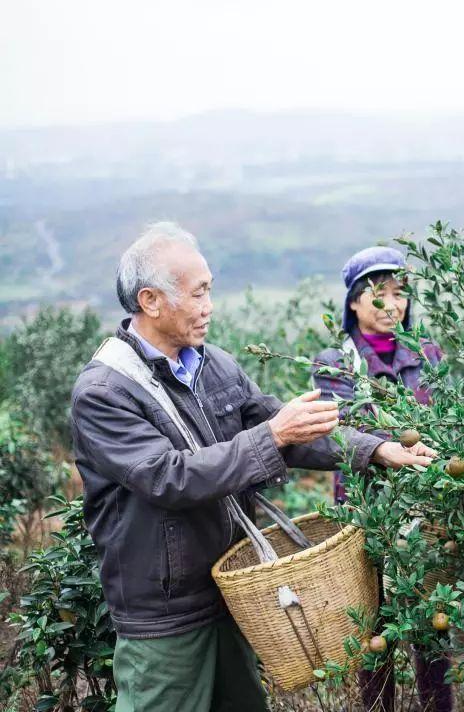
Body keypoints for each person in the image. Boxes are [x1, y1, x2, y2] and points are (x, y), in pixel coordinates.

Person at [70, 223, 435, 712]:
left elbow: (290, 432)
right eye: (198, 294)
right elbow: (168, 477)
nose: (209, 306)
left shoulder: (213, 364)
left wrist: (374, 450)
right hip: (167, 610)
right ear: (151, 300)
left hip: (234, 588)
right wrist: (273, 434)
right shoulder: (106, 391)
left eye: (209, 291)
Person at [313, 246, 451, 712]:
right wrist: (394, 447)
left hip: (426, 512)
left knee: (433, 623)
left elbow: (450, 423)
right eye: (379, 294)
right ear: (353, 301)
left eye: (400, 294)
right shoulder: (335, 361)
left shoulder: (428, 354)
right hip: (366, 512)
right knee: (373, 631)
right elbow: (340, 432)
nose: (392, 304)